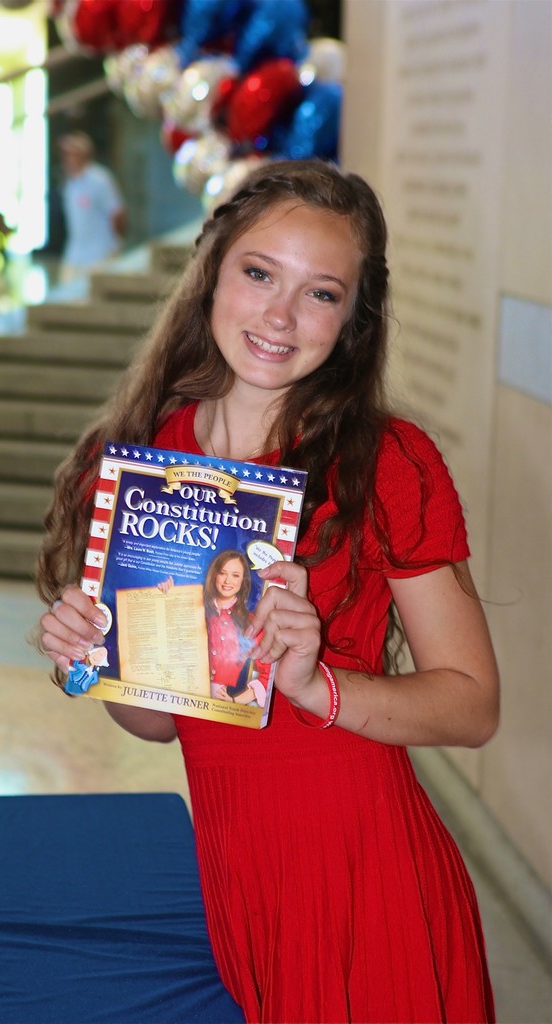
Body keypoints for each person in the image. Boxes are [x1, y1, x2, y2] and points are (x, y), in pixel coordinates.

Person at [37, 159, 500, 1023]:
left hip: (366, 874)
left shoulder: (387, 463)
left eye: (320, 293)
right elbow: (159, 719)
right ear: (212, 272)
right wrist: (91, 655)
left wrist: (316, 684)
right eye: (259, 274)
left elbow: (471, 706)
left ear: (352, 319)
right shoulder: (144, 463)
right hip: (236, 874)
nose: (280, 316)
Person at [158, 550, 269, 705]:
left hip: (216, 708)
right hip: (173, 696)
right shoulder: (192, 606)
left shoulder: (251, 623)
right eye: (222, 573)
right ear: (214, 575)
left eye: (235, 575)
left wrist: (235, 701)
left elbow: (268, 674)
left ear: (243, 580)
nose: (227, 581)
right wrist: (164, 599)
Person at [57, 131, 126, 282]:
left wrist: (115, 246)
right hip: (75, 256)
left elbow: (117, 213)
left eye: (72, 154)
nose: (67, 158)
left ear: (84, 155)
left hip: (99, 256)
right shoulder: (70, 183)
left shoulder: (100, 180)